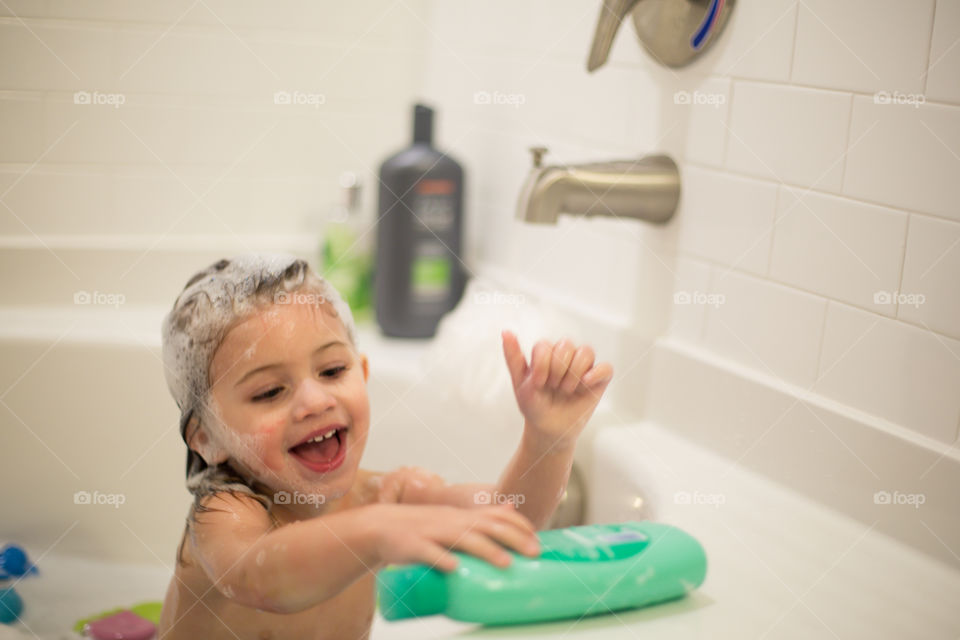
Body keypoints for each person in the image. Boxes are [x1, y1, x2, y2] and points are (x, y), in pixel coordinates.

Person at [156, 254, 613, 639]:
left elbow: (508, 518)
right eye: (270, 393)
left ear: (364, 372)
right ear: (206, 438)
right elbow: (257, 577)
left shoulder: (381, 498)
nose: (315, 401)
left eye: (333, 371)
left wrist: (548, 441)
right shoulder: (226, 514)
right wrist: (375, 531)